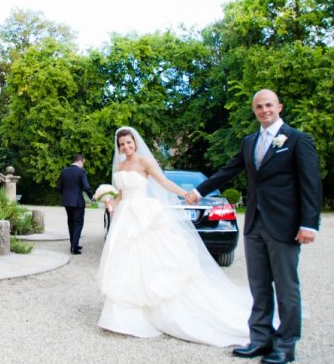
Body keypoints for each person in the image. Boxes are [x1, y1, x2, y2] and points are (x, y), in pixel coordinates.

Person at [185, 89, 322, 364]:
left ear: (279, 107)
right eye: (259, 106)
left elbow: (311, 183)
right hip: (255, 224)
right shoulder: (250, 141)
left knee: (286, 287)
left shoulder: (297, 140)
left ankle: (285, 344)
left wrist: (309, 223)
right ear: (254, 110)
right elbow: (229, 170)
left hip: (284, 224)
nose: (264, 110)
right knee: (258, 286)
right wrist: (199, 191)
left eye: (269, 105)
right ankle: (260, 338)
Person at [97, 127, 252, 347]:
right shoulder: (120, 166)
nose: (125, 147)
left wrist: (186, 194)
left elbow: (163, 183)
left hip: (144, 216)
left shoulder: (145, 163)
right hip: (125, 219)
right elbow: (121, 194)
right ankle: (123, 317)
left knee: (152, 262)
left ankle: (155, 311)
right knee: (126, 264)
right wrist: (111, 203)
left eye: (128, 143)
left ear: (135, 143)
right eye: (121, 144)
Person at [57, 154, 92, 255]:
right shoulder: (81, 171)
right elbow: (86, 187)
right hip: (78, 202)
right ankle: (74, 247)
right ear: (80, 161)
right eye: (83, 163)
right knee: (78, 224)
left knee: (71, 223)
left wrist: (66, 195)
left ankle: (73, 244)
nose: (83, 165)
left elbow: (59, 187)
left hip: (67, 201)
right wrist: (91, 197)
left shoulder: (64, 171)